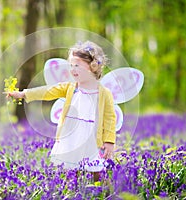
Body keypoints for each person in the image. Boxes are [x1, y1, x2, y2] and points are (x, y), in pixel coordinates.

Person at [6, 41, 116, 183]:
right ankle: (73, 191)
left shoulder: (104, 93)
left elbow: (109, 118)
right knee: (72, 167)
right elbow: (48, 91)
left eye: (77, 66)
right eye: (71, 65)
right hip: (72, 135)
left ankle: (101, 191)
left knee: (97, 168)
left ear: (93, 67)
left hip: (92, 137)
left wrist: (109, 141)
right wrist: (24, 94)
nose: (73, 70)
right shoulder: (71, 87)